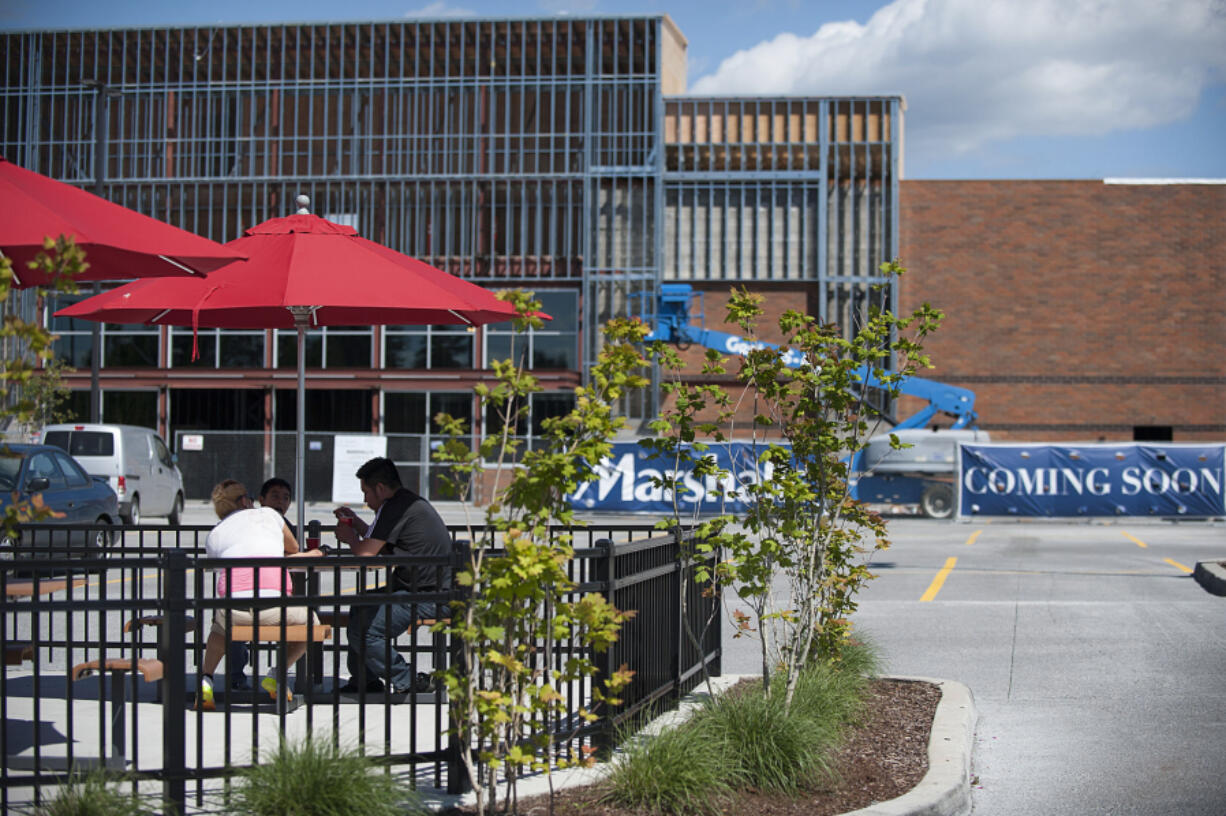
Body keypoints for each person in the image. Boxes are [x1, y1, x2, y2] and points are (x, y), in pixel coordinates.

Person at [196, 479, 323, 710]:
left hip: (232, 609)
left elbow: (218, 566)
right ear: (245, 501)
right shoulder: (268, 515)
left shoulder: (214, 533)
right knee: (312, 625)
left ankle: (206, 680)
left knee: (219, 629)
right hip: (273, 607)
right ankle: (277, 674)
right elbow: (293, 548)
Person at [333, 457, 453, 695]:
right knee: (359, 605)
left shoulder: (396, 507)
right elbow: (380, 546)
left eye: (366, 492)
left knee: (368, 632)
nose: (365, 500)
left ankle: (408, 680)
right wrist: (357, 525)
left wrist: (350, 539)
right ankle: (363, 681)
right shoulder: (402, 503)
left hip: (431, 596)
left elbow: (366, 553)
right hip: (419, 589)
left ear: (380, 488)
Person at [225, 476, 296, 691]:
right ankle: (236, 677)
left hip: (274, 594)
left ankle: (277, 675)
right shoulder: (247, 522)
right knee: (230, 622)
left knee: (301, 624)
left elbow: (292, 552)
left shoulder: (287, 526)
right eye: (275, 496)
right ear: (261, 500)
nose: (281, 502)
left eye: (286, 498)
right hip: (245, 591)